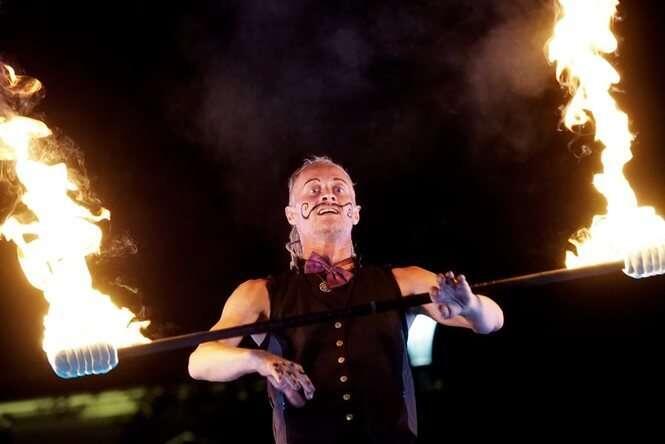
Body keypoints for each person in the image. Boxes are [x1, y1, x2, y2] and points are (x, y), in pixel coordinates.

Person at [187, 156, 504, 443]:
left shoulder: (403, 280)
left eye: (338, 189)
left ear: (355, 213)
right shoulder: (259, 293)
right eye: (313, 190)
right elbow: (200, 361)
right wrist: (259, 360)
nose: (327, 196)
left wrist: (471, 305)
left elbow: (493, 320)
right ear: (292, 215)